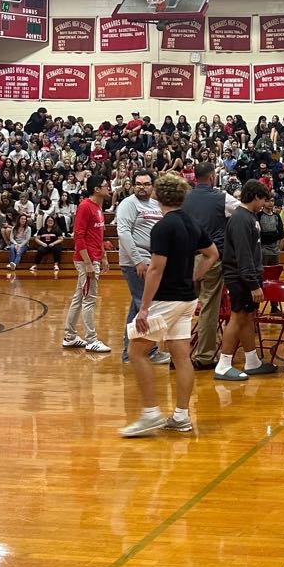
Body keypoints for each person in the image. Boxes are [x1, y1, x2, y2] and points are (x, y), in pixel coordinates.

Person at [120, 172, 219, 437]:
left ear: (157, 194)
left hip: (167, 300)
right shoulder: (190, 222)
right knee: (181, 356)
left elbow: (155, 269)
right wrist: (194, 276)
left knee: (136, 352)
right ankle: (181, 417)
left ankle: (150, 413)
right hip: (188, 299)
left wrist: (144, 308)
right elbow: (213, 254)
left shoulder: (163, 227)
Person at [216, 180, 278, 381]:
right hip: (240, 277)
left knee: (248, 317)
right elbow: (243, 254)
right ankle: (223, 364)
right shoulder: (241, 219)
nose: (264, 204)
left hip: (248, 275)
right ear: (256, 197)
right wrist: (253, 284)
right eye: (263, 200)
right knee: (237, 317)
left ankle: (252, 361)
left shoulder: (249, 217)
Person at [184, 161, 239, 370]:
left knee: (182, 307)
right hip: (210, 258)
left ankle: (176, 354)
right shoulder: (222, 198)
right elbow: (242, 212)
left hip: (186, 258)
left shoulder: (184, 198)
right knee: (208, 306)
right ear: (212, 177)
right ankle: (204, 356)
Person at [116, 170, 169, 364]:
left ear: (152, 186)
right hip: (136, 263)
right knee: (147, 306)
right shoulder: (128, 204)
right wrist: (137, 260)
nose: (142, 187)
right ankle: (150, 351)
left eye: (146, 184)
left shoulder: (155, 205)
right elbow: (123, 233)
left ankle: (128, 353)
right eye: (138, 183)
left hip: (153, 261)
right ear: (132, 185)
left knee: (136, 308)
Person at [62, 174, 111, 354]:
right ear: (96, 189)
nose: (108, 187)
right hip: (86, 261)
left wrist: (103, 256)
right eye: (105, 185)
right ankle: (91, 340)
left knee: (79, 297)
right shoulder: (85, 207)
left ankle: (70, 336)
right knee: (89, 300)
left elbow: (98, 236)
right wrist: (89, 263)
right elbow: (79, 237)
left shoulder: (98, 207)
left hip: (94, 258)